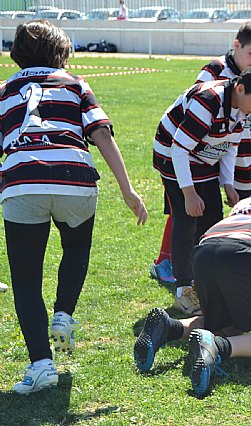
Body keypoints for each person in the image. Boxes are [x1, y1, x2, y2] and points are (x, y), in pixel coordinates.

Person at [2, 20, 148, 394]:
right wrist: (128, 189)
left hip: (23, 180)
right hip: (74, 176)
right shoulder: (76, 84)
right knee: (77, 247)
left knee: (26, 279)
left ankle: (41, 365)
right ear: (61, 53)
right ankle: (64, 313)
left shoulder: (4, 90)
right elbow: (101, 133)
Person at [134, 166, 251, 397]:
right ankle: (218, 346)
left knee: (227, 323)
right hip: (248, 251)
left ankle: (171, 327)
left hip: (206, 249)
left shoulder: (245, 203)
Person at [149, 23, 251, 290]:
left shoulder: (243, 109)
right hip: (172, 153)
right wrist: (189, 192)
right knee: (187, 216)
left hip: (202, 155)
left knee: (213, 214)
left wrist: (227, 184)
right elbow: (180, 148)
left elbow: (229, 146)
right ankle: (184, 285)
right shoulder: (209, 100)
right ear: (240, 89)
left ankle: (205, 276)